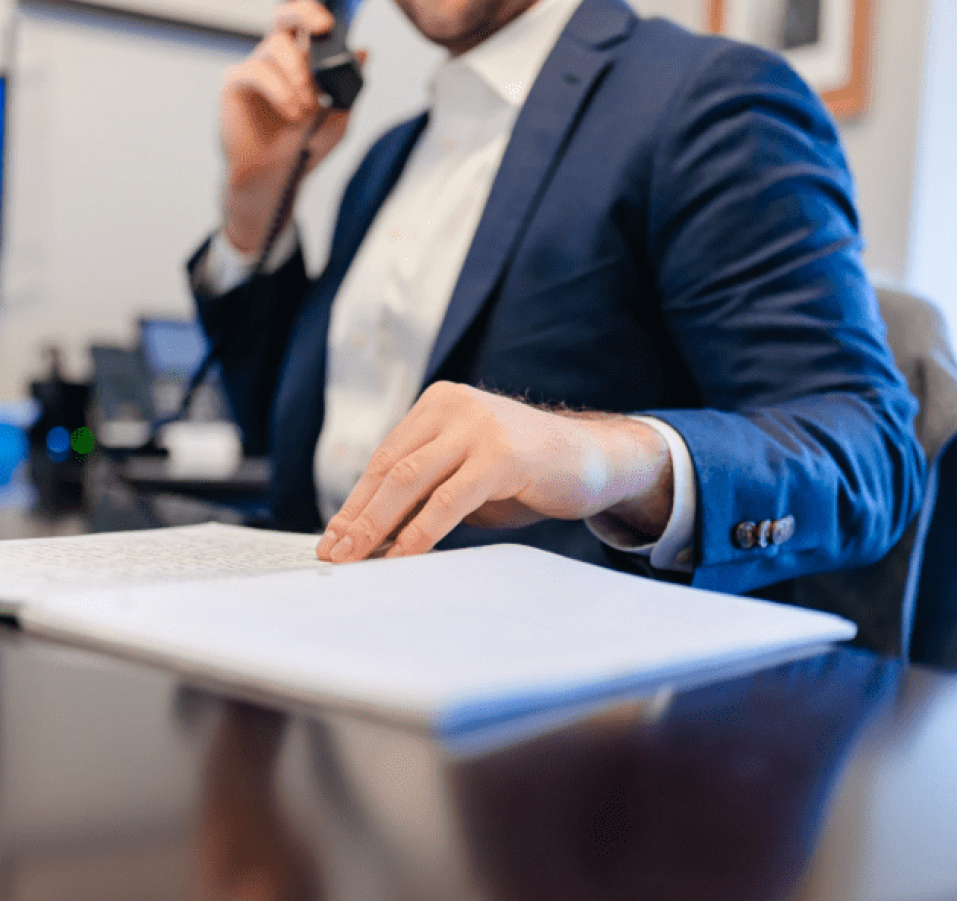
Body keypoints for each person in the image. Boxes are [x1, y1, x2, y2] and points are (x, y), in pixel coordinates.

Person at [189, 0, 924, 646]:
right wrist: (254, 204)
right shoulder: (384, 161)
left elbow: (869, 454)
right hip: (306, 650)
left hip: (566, 735)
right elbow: (287, 449)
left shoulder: (710, 98)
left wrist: (603, 456)